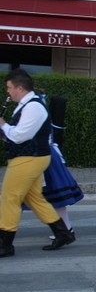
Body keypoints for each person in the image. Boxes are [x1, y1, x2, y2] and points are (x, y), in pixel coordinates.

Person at [0, 69, 74, 256]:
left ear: (19, 88)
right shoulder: (28, 105)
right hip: (30, 158)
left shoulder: (33, 107)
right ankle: (62, 233)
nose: (8, 91)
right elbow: (16, 134)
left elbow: (20, 136)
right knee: (34, 198)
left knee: (9, 198)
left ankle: (5, 244)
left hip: (28, 159)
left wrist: (3, 125)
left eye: (9, 87)